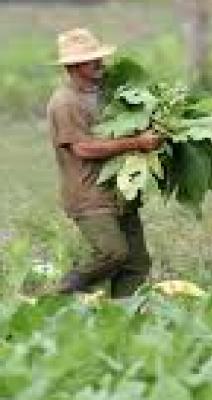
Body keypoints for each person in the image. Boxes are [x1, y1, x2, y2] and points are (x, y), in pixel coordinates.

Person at [47, 28, 161, 297]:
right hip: (89, 195)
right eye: (91, 59)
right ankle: (59, 294)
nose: (100, 63)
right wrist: (137, 143)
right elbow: (83, 149)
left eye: (99, 57)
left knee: (136, 264)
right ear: (74, 66)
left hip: (121, 192)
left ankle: (124, 319)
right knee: (113, 253)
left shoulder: (108, 93)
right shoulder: (65, 102)